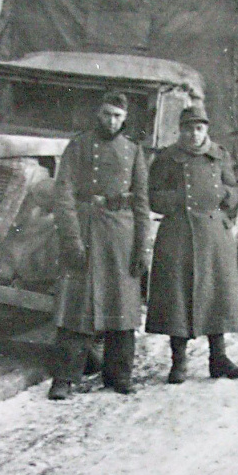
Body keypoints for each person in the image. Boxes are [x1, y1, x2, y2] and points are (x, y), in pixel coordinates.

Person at [48, 91, 152, 400]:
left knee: (122, 305)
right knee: (75, 306)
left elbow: (142, 203)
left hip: (121, 234)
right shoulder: (78, 146)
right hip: (85, 227)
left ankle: (118, 375)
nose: (112, 121)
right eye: (107, 114)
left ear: (125, 118)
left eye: (118, 116)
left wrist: (141, 248)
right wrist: (72, 238)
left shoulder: (133, 151)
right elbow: (63, 194)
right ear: (98, 113)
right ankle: (65, 378)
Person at [145, 105, 238, 384]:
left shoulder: (219, 155)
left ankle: (219, 358)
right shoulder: (167, 157)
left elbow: (234, 189)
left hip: (214, 232)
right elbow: (151, 195)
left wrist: (225, 198)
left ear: (207, 130)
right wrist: (178, 200)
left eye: (199, 128)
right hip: (178, 232)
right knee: (177, 296)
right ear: (180, 130)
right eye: (188, 128)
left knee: (217, 294)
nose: (194, 133)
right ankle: (178, 362)